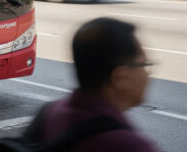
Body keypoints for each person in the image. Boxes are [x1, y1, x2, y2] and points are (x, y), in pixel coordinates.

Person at [23, 18, 157, 151]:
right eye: (144, 65)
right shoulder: (129, 145)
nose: (148, 74)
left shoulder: (49, 112)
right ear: (121, 77)